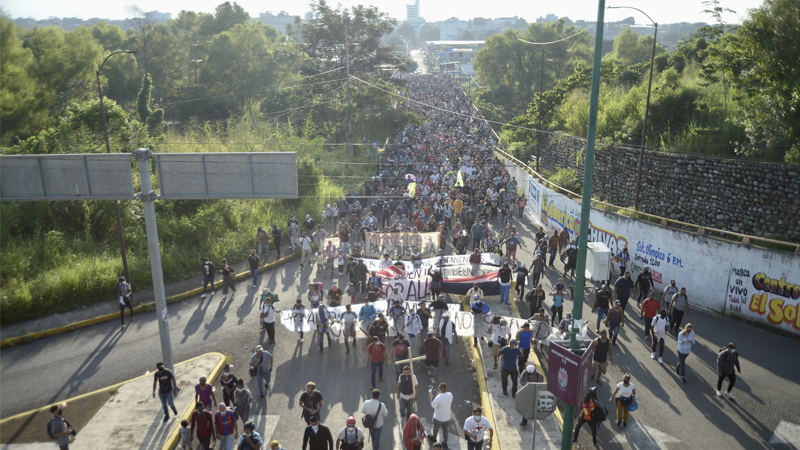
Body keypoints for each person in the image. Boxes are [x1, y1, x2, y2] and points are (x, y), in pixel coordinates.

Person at [429, 383, 453, 448]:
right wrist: (439, 395)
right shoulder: (450, 395)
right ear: (446, 389)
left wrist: (430, 399)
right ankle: (445, 442)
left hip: (438, 418)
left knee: (435, 428)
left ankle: (434, 438)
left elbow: (433, 406)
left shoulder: (438, 398)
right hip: (447, 418)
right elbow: (444, 398)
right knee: (445, 430)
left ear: (440, 390)